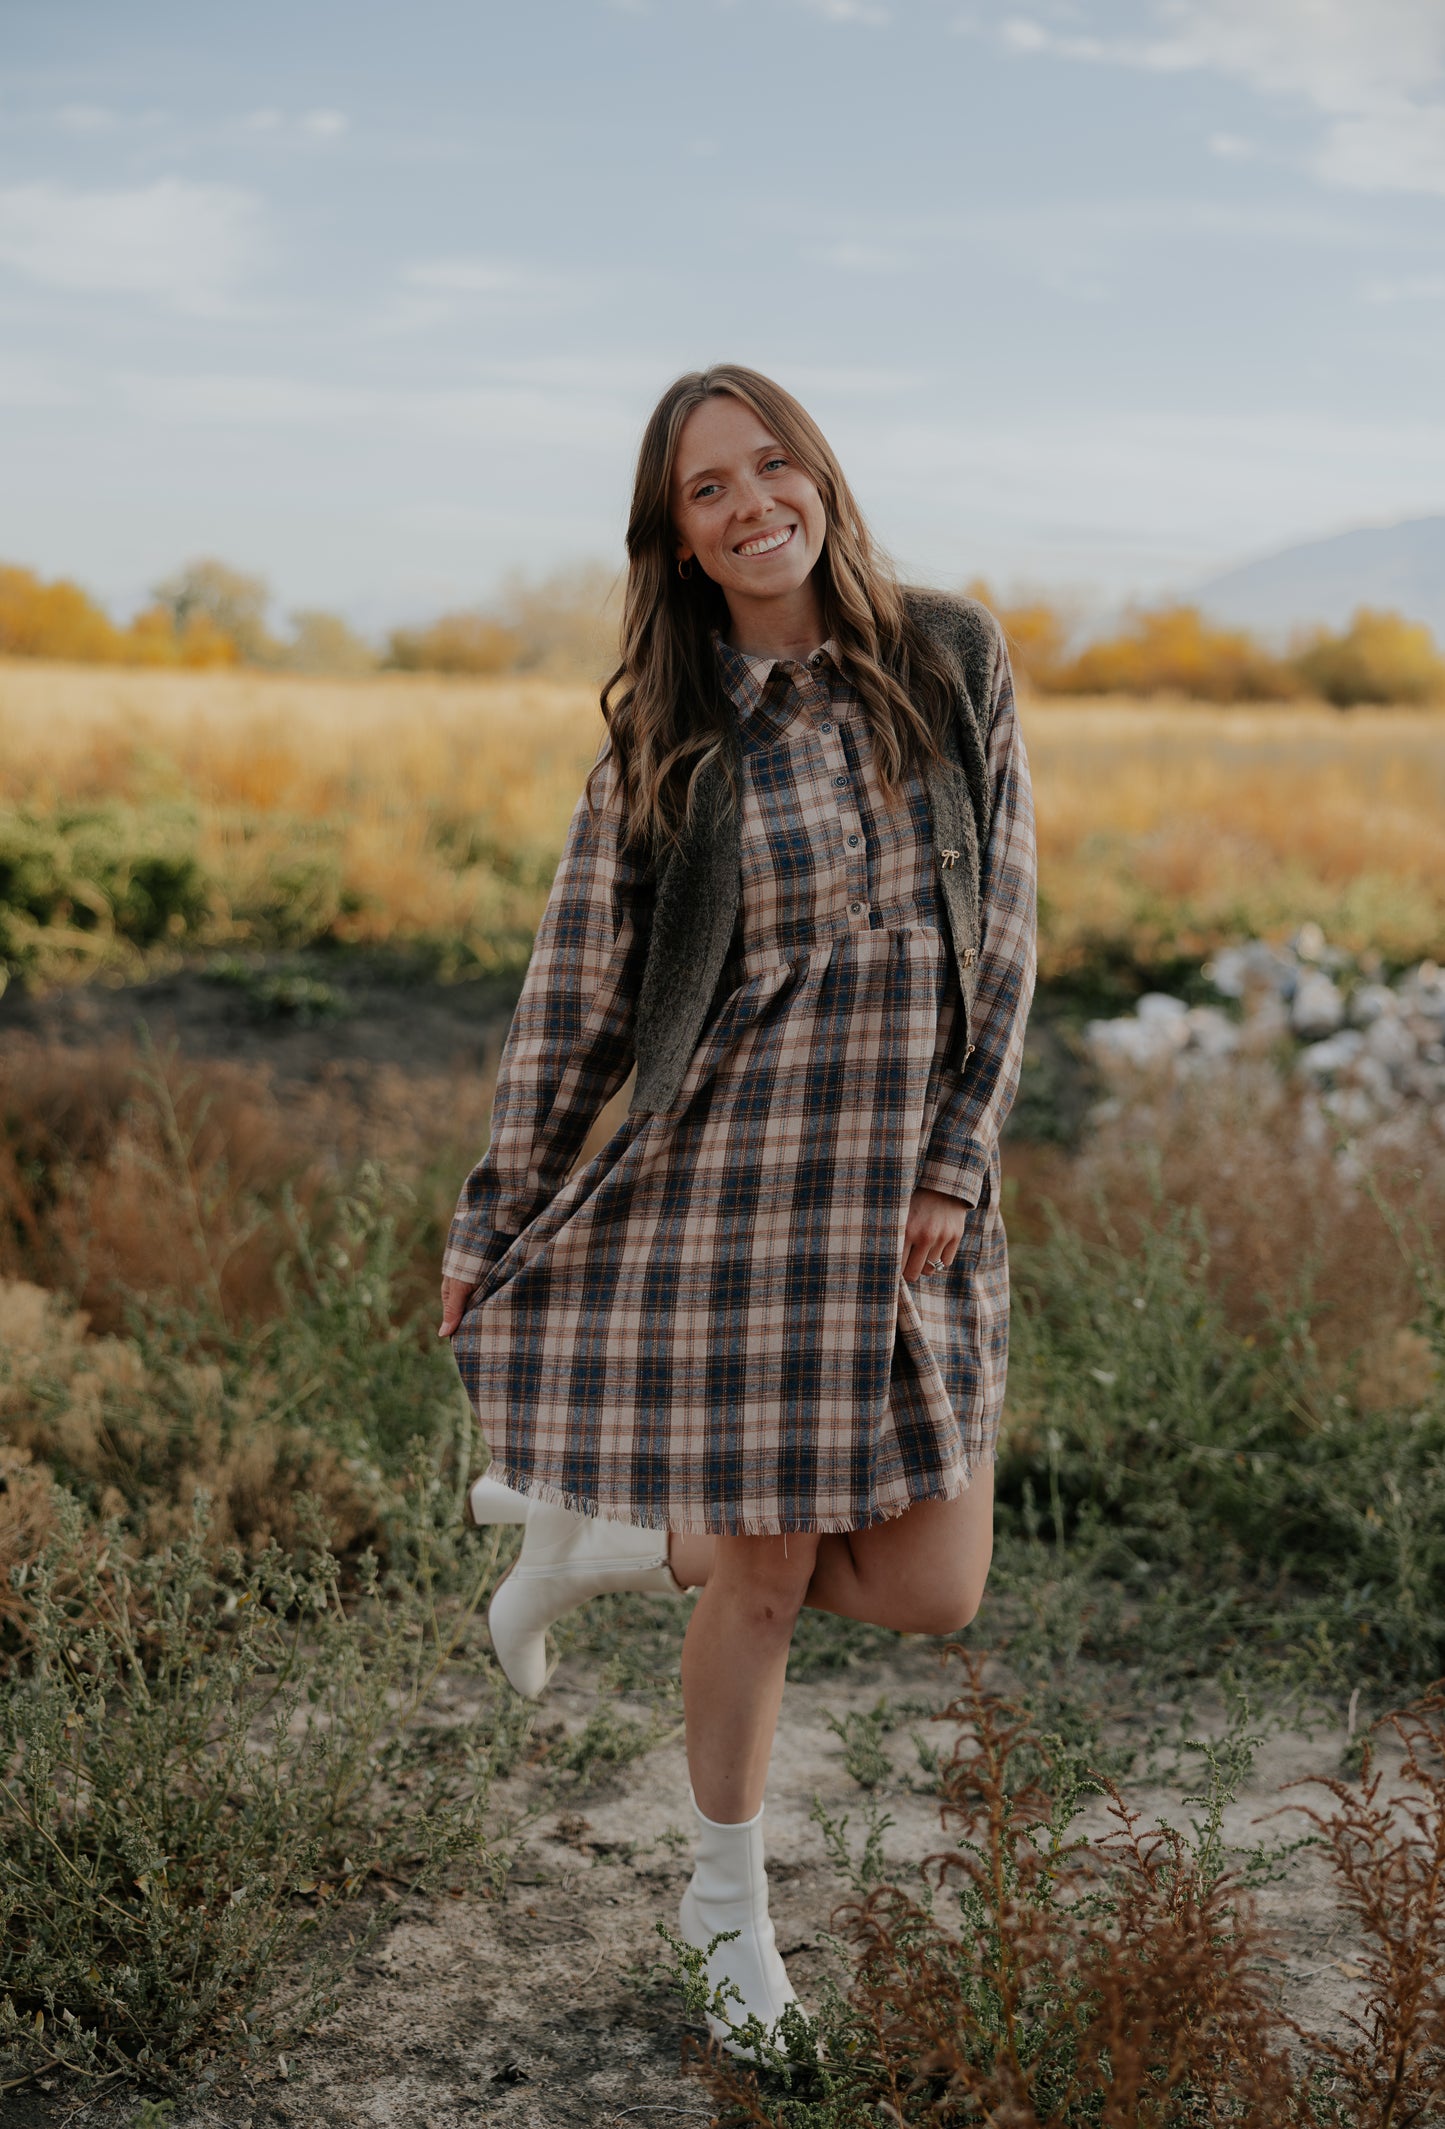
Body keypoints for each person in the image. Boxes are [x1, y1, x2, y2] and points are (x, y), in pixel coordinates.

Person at [438, 363, 1036, 2058]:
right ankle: (727, 1921)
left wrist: (957, 1157)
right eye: (707, 488)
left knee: (932, 1584)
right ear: (677, 536)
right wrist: (497, 1216)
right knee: (766, 1580)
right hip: (729, 1207)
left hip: (903, 1211)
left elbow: (1004, 930)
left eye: (770, 463)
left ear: (820, 476)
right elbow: (575, 992)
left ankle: (623, 1534)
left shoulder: (949, 656)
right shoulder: (670, 732)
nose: (748, 501)